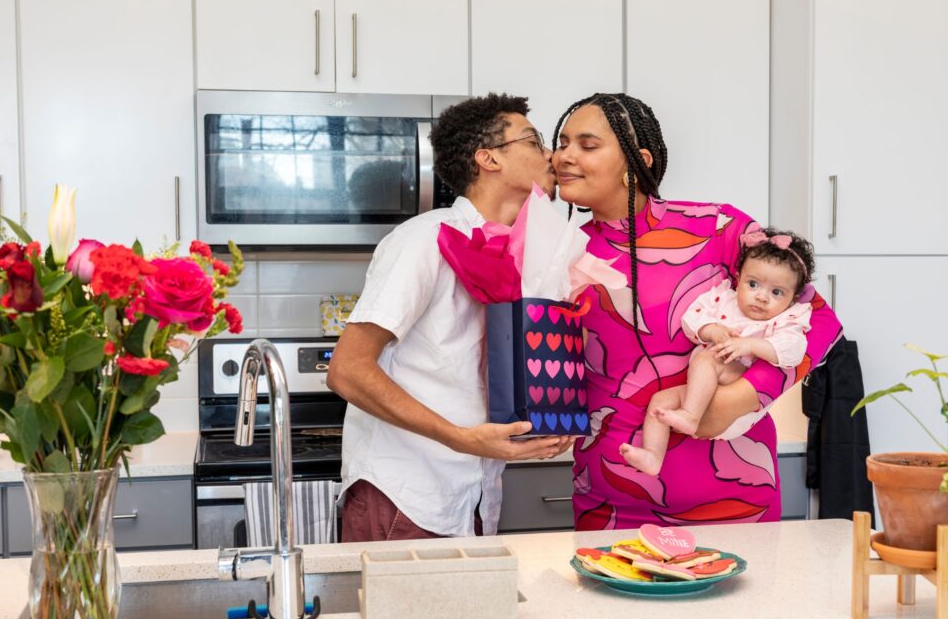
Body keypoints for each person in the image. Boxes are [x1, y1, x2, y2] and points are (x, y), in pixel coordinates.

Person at [550, 93, 844, 529]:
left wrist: (741, 397)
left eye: (588, 145)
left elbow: (820, 321)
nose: (564, 156)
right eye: (562, 143)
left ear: (639, 160)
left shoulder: (717, 228)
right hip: (610, 496)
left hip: (734, 493)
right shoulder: (559, 253)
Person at [328, 94, 572, 542]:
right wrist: (461, 438)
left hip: (474, 496)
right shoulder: (423, 239)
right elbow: (347, 371)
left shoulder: (529, 254)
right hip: (406, 497)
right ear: (489, 158)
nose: (552, 156)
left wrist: (543, 425)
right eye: (535, 141)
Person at [619, 228, 816, 476]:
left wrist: (750, 345)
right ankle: (653, 456)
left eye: (777, 292)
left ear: (793, 297)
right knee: (660, 401)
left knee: (707, 358)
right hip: (704, 393)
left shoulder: (787, 319)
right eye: (753, 284)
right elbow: (691, 318)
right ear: (738, 277)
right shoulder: (724, 299)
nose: (761, 297)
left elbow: (793, 352)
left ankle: (689, 416)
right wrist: (711, 330)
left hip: (739, 385)